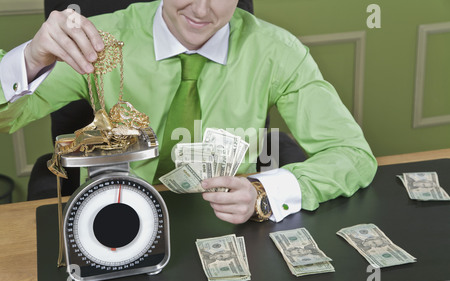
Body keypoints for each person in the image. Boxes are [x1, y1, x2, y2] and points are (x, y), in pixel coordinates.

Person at [0, 0, 377, 224]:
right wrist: (31, 59)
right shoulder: (99, 38)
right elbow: (8, 117)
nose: (200, 9)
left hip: (226, 222)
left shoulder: (277, 51)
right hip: (114, 218)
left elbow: (353, 155)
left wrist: (263, 191)